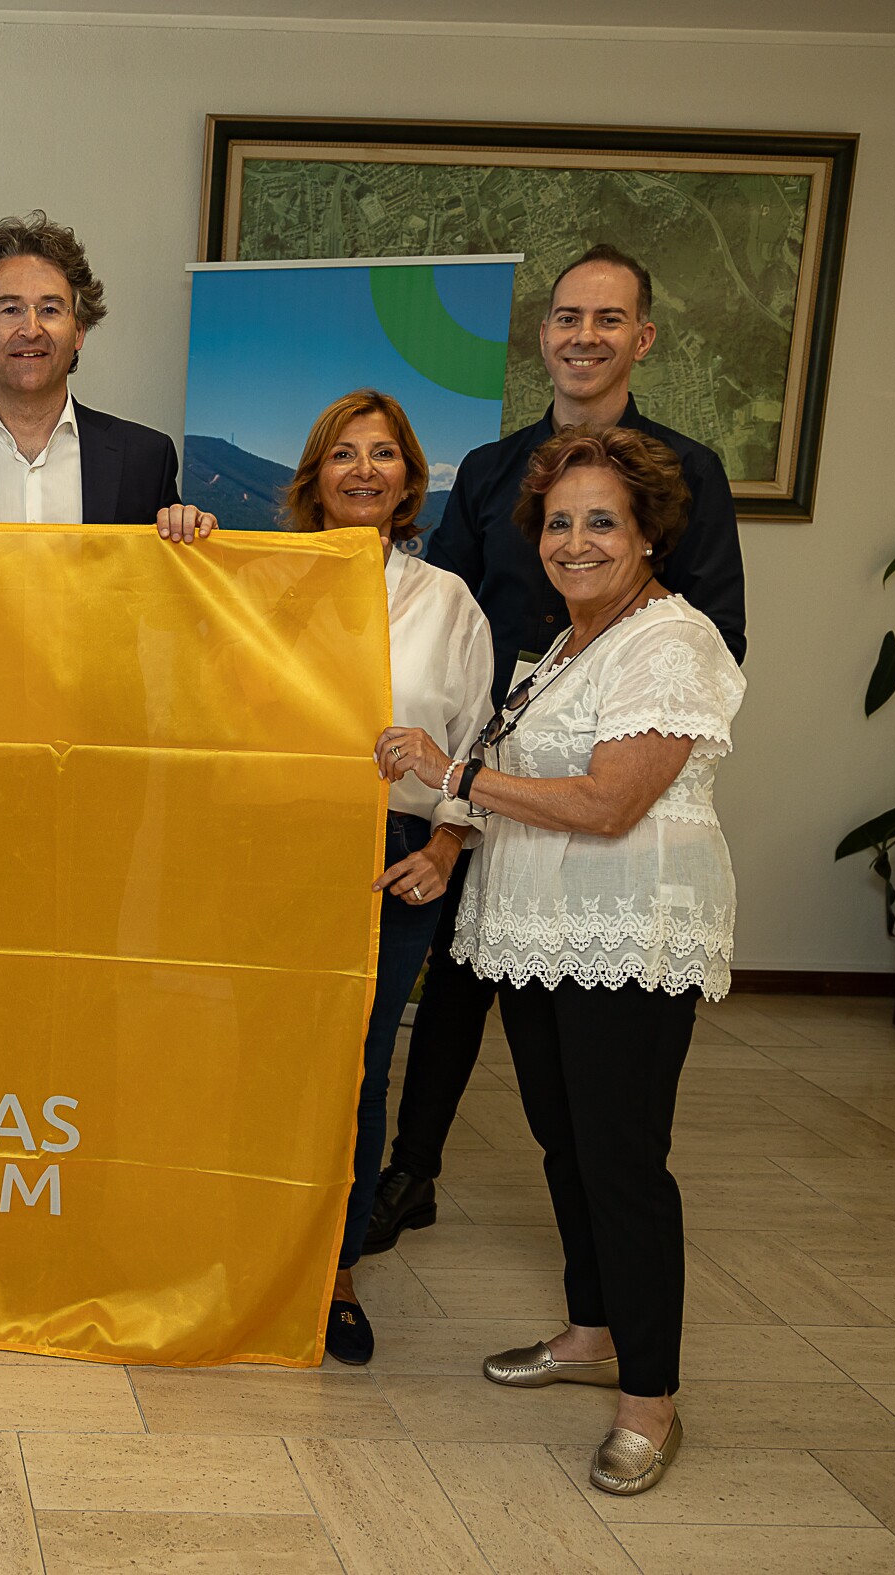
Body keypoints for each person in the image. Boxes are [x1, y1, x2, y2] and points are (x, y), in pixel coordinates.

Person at [362, 243, 749, 1259]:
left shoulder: (687, 472)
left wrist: (596, 709)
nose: (585, 336)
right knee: (456, 977)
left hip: (595, 773)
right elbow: (444, 613)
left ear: (643, 337)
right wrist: (463, 770)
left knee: (590, 1063)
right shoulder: (492, 471)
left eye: (608, 319)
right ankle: (412, 1168)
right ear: (541, 336)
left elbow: (717, 633)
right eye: (568, 318)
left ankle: (607, 1264)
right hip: (483, 764)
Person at [380, 422, 744, 1496]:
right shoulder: (567, 646)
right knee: (565, 1147)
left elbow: (609, 802)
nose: (574, 542)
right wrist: (457, 819)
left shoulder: (671, 643)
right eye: (557, 523)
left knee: (622, 1163)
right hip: (540, 937)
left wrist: (453, 777)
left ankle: (651, 1399)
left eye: (601, 523)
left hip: (624, 937)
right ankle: (593, 1331)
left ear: (648, 536)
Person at [166, 391, 491, 1365]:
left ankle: (333, 1271)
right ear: (314, 477)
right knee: (253, 1058)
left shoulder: (448, 602)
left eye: (382, 454)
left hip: (394, 855)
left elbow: (479, 741)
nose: (363, 470)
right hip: (275, 845)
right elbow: (208, 702)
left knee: (354, 1067)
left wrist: (447, 846)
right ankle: (237, 1255)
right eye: (343, 453)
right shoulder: (262, 585)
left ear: (408, 479)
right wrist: (181, 550)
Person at [0, 212, 213, 539]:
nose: (31, 330)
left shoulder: (145, 459)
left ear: (79, 331)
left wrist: (193, 540)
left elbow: (164, 580)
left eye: (50, 309)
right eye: (10, 309)